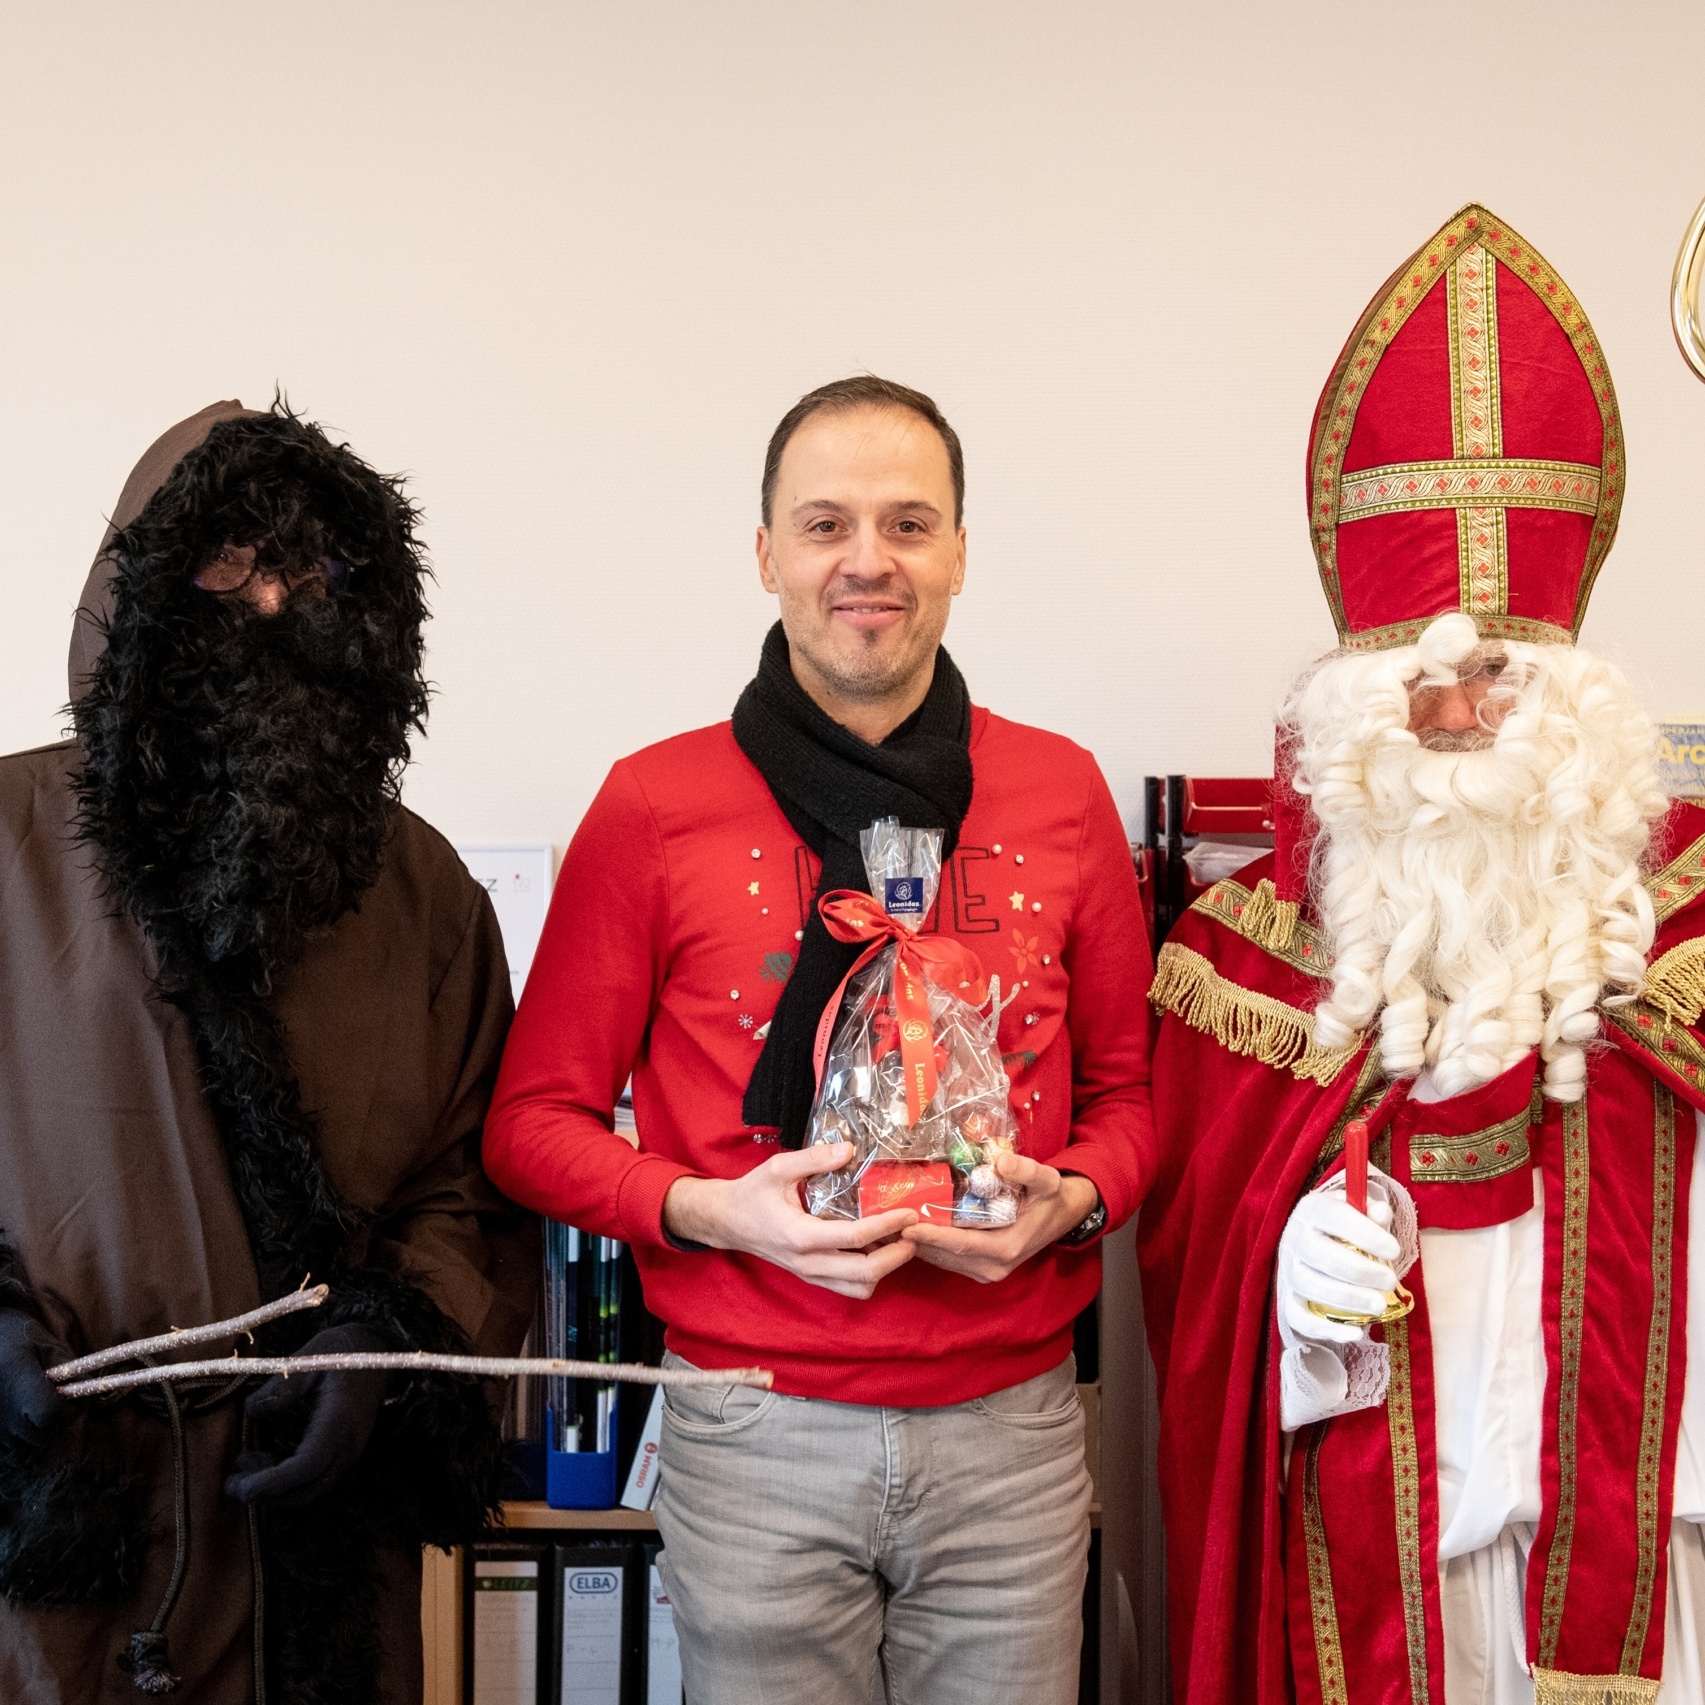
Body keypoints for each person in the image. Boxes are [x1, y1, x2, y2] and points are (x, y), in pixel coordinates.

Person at [484, 374, 1154, 1703]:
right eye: (825, 523)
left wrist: (1073, 1201)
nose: (867, 560)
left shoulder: (1062, 791)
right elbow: (530, 1126)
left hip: (1013, 1433)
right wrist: (713, 1211)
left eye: (908, 524)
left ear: (958, 552)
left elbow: (1133, 1101)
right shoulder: (652, 805)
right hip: (751, 1429)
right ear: (765, 554)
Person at [1141, 204, 1705, 1704]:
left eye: (1498, 676)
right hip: (1384, 1548)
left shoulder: (1690, 918)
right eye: (1423, 685)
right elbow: (1189, 1288)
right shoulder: (1238, 961)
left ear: (1573, 698)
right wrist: (1277, 1281)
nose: (1461, 722)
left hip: (1663, 1552)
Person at [0, 400, 537, 1703]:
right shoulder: (6, 845)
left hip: (319, 1548)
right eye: (230, 561)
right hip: (57, 1540)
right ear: (139, 592)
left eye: (314, 571)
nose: (274, 601)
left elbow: (470, 1186)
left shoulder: (423, 893)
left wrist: (389, 1343)